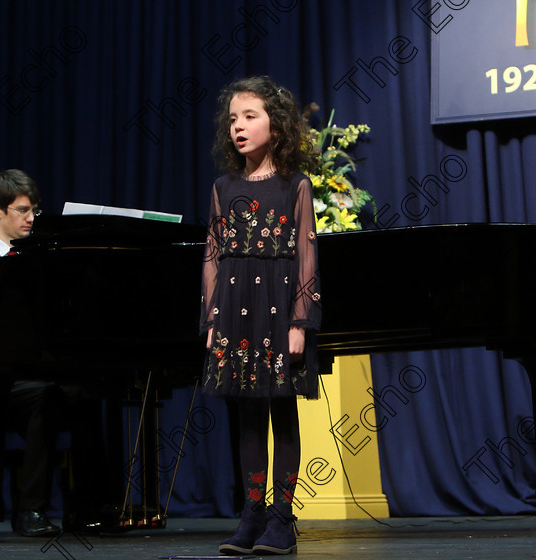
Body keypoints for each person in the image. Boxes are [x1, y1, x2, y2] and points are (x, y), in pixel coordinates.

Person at [200, 76, 321, 556]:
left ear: (277, 123)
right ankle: (251, 515)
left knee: (281, 411)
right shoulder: (223, 186)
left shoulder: (296, 185)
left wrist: (299, 321)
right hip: (234, 313)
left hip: (278, 312)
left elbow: (307, 259)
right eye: (233, 119)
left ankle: (282, 520)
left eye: (250, 116)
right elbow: (212, 256)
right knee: (247, 415)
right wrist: (210, 322)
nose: (239, 127)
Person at [0, 169, 107, 537]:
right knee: (45, 396)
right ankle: (28, 511)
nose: (31, 217)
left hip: (31, 372)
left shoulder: (42, 260)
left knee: (87, 396)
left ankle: (86, 510)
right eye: (22, 210)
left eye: (34, 209)